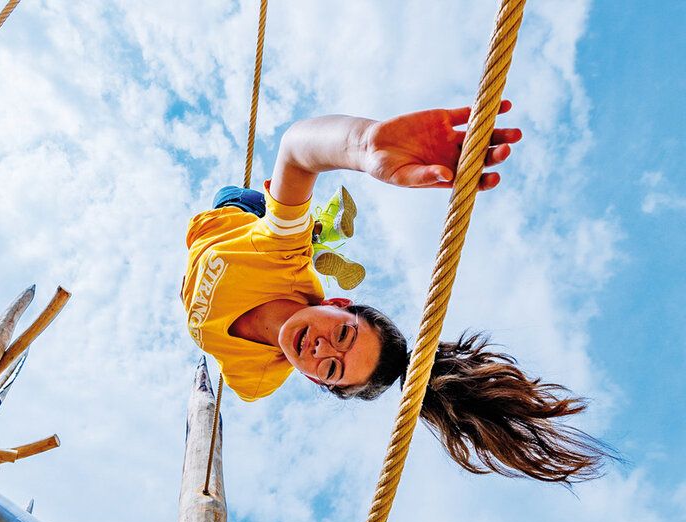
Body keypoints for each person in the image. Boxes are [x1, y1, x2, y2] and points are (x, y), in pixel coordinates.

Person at [182, 102, 612, 483]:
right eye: (344, 335)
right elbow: (297, 151)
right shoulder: (280, 253)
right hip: (232, 217)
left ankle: (321, 233)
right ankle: (313, 231)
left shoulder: (253, 381)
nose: (320, 348)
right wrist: (364, 144)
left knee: (292, 220)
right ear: (337, 304)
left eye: (331, 369)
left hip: (199, 261)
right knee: (256, 202)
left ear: (315, 380)